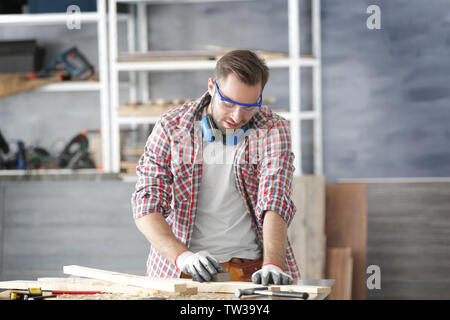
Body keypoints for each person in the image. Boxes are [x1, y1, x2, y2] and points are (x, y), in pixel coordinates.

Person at [131, 49, 300, 286]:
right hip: (182, 269)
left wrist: (273, 264)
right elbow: (146, 204)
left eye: (249, 106)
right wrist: (183, 257)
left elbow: (275, 198)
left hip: (251, 269)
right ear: (212, 87)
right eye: (229, 103)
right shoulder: (171, 127)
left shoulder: (272, 129)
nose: (238, 116)